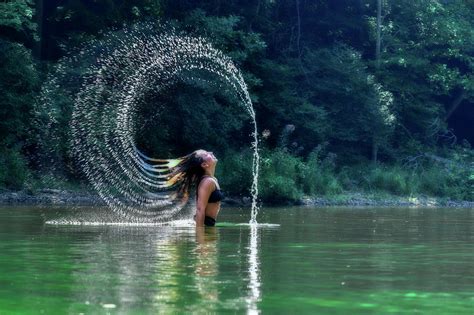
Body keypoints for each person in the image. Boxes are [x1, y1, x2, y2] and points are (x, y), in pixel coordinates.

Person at [167, 149, 224, 227]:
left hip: (207, 225)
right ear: (204, 164)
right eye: (206, 154)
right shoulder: (207, 182)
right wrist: (200, 235)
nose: (211, 152)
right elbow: (200, 209)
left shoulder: (212, 180)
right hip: (203, 225)